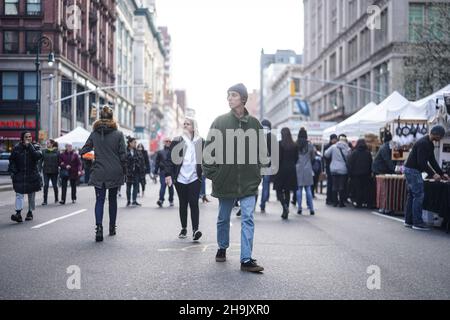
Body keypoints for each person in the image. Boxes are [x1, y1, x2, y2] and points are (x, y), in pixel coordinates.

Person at [203, 83, 267, 273]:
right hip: (226, 180)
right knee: (223, 218)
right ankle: (222, 247)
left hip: (249, 181)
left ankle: (246, 259)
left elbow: (262, 152)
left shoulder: (255, 124)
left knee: (248, 218)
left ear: (243, 99)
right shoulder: (220, 122)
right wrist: (214, 174)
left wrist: (258, 174)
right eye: (228, 95)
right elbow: (208, 151)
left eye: (233, 95)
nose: (229, 98)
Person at [80, 106, 127, 242]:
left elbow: (83, 152)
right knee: (113, 200)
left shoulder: (94, 134)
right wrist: (124, 171)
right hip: (114, 171)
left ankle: (99, 228)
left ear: (100, 117)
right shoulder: (118, 134)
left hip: (99, 171)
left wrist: (93, 159)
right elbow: (123, 155)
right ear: (112, 118)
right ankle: (112, 227)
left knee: (100, 200)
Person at [164, 118, 204, 241]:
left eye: (188, 124)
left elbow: (207, 157)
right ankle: (184, 228)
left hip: (194, 177)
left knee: (194, 203)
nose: (186, 126)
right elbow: (169, 159)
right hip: (180, 177)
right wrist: (168, 174)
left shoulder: (200, 141)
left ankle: (195, 230)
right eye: (184, 124)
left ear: (193, 126)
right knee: (183, 203)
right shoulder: (177, 140)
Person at [403, 125, 449, 231]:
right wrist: (433, 174)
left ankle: (409, 221)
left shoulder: (429, 144)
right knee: (418, 195)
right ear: (436, 134)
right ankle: (417, 222)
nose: (440, 139)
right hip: (413, 170)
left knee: (412, 195)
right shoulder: (423, 143)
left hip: (411, 169)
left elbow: (432, 160)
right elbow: (422, 163)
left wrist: (441, 173)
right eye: (440, 136)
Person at [9, 131, 43, 222]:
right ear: (22, 138)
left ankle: (30, 212)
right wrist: (13, 173)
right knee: (19, 195)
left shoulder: (36, 146)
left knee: (31, 195)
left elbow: (37, 156)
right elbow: (12, 161)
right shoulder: (17, 148)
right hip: (19, 175)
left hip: (32, 175)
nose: (28, 138)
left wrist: (30, 146)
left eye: (30, 136)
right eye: (26, 136)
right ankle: (18, 213)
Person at [273, 128, 298, 220]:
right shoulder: (294, 145)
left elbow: (277, 158)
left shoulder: (280, 144)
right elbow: (296, 158)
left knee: (278, 190)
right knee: (287, 191)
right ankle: (285, 211)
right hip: (291, 169)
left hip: (281, 169)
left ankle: (284, 206)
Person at [324, 134, 350, 207]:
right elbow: (349, 158)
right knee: (342, 186)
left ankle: (335, 202)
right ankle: (341, 203)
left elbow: (326, 154)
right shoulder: (347, 148)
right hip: (343, 169)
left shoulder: (333, 147)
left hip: (334, 169)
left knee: (334, 185)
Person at [295, 128, 316, 215]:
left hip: (298, 168)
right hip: (307, 168)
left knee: (299, 189)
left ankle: (299, 207)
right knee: (308, 189)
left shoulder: (295, 145)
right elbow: (313, 158)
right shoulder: (310, 145)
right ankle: (311, 208)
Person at [348, 139, 373, 208]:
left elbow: (350, 164)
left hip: (356, 174)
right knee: (366, 189)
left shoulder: (354, 153)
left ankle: (359, 203)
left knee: (358, 189)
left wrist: (350, 174)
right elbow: (370, 163)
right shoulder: (368, 153)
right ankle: (367, 203)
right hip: (366, 174)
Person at [259, 119, 276, 213]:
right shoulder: (272, 137)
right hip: (268, 165)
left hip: (258, 165)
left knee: (255, 185)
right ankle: (263, 205)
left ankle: (252, 206)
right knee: (266, 185)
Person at [154, 138, 175, 207]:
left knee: (170, 187)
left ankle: (171, 200)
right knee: (163, 186)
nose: (168, 142)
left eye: (169, 141)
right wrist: (155, 172)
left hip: (171, 172)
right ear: (164, 142)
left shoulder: (173, 151)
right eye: (167, 141)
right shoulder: (160, 152)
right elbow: (157, 163)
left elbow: (176, 163)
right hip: (163, 172)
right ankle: (161, 200)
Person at [126, 137, 144, 207]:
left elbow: (141, 161)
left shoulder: (137, 152)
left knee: (136, 186)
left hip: (136, 172)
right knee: (129, 186)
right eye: (134, 142)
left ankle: (134, 200)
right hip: (129, 172)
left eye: (135, 142)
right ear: (130, 143)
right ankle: (128, 200)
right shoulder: (125, 151)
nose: (135, 144)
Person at [41, 139, 59, 205]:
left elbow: (59, 161)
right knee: (45, 185)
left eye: (48, 143)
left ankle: (56, 199)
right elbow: (40, 162)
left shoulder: (57, 152)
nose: (47, 144)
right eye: (47, 143)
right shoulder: (43, 151)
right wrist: (39, 169)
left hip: (54, 171)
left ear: (52, 144)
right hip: (46, 171)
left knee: (55, 186)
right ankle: (45, 200)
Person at [324, 134, 338, 205]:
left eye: (336, 139)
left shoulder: (337, 146)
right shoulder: (327, 146)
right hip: (329, 167)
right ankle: (328, 199)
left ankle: (333, 198)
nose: (335, 140)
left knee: (334, 183)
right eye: (334, 139)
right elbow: (325, 157)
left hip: (336, 167)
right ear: (331, 139)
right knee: (330, 183)